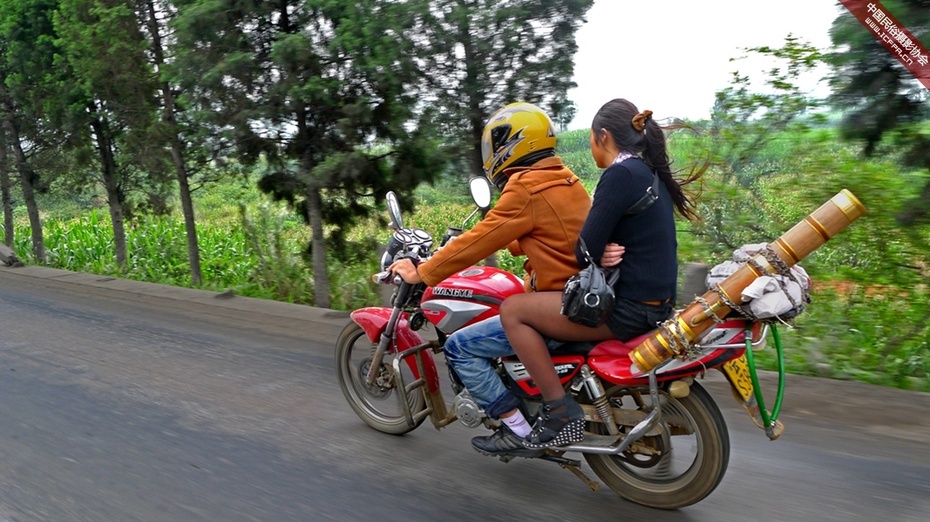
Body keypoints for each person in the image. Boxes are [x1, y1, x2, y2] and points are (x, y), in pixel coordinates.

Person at [499, 98, 706, 449]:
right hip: (657, 303)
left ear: (603, 137)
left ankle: (558, 413)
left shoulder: (619, 175)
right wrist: (603, 247)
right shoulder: (648, 171)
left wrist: (597, 249)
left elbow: (584, 251)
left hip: (628, 310)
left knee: (513, 311)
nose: (593, 146)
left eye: (593, 139)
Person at [388, 102, 591, 457]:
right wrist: (506, 233)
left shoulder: (526, 187)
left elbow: (478, 240)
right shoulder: (564, 178)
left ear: (510, 145)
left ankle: (516, 429)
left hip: (557, 304)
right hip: (580, 294)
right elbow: (542, 232)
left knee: (459, 347)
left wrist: (422, 270)